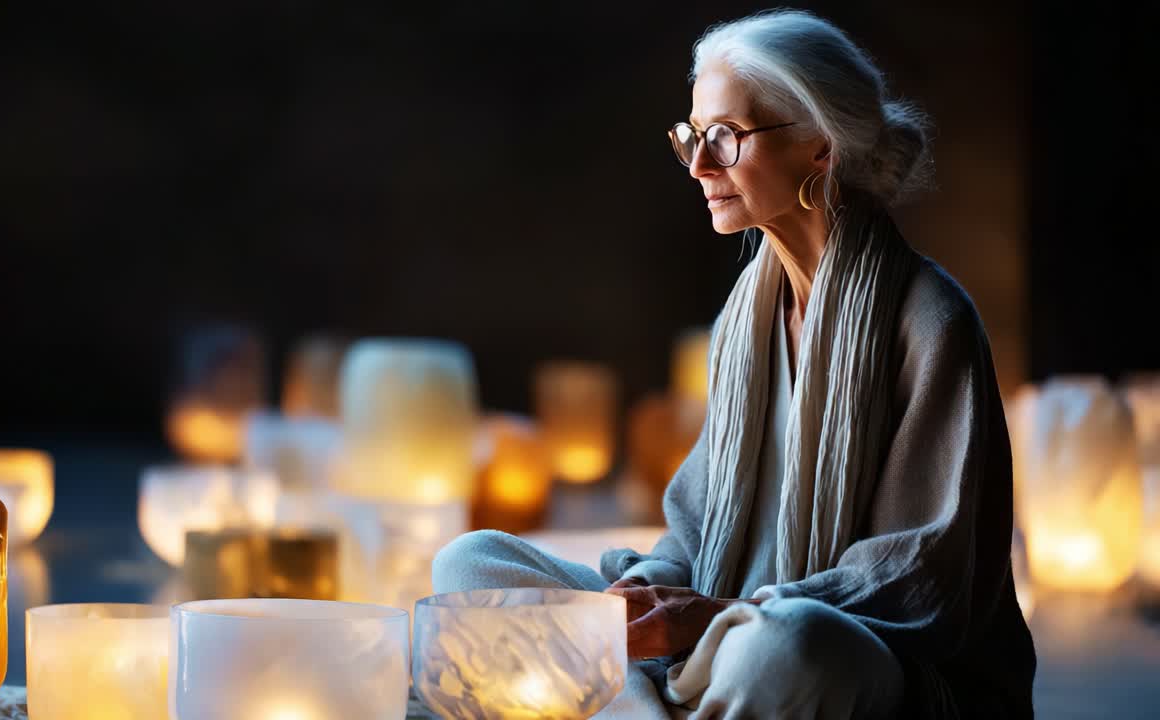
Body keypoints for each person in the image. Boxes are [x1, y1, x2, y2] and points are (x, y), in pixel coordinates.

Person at [432, 8, 1036, 718]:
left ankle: (629, 698)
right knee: (470, 564)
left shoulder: (931, 322)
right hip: (712, 630)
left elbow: (917, 580)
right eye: (692, 135)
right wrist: (649, 598)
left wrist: (708, 616)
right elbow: (694, 531)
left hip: (856, 653)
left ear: (821, 145)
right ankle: (658, 694)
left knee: (789, 649)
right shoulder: (743, 321)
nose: (698, 164)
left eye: (726, 136)